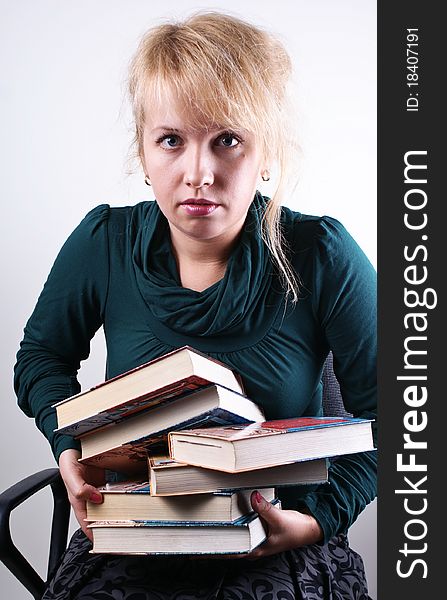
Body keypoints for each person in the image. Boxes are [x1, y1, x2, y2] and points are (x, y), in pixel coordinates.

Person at [14, 11, 376, 600]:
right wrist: (69, 446)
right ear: (144, 149)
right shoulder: (104, 242)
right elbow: (41, 358)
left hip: (280, 533)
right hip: (133, 533)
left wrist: (314, 522)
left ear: (266, 153)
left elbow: (402, 417)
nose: (198, 174)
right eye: (171, 140)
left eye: (227, 140)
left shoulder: (322, 254)